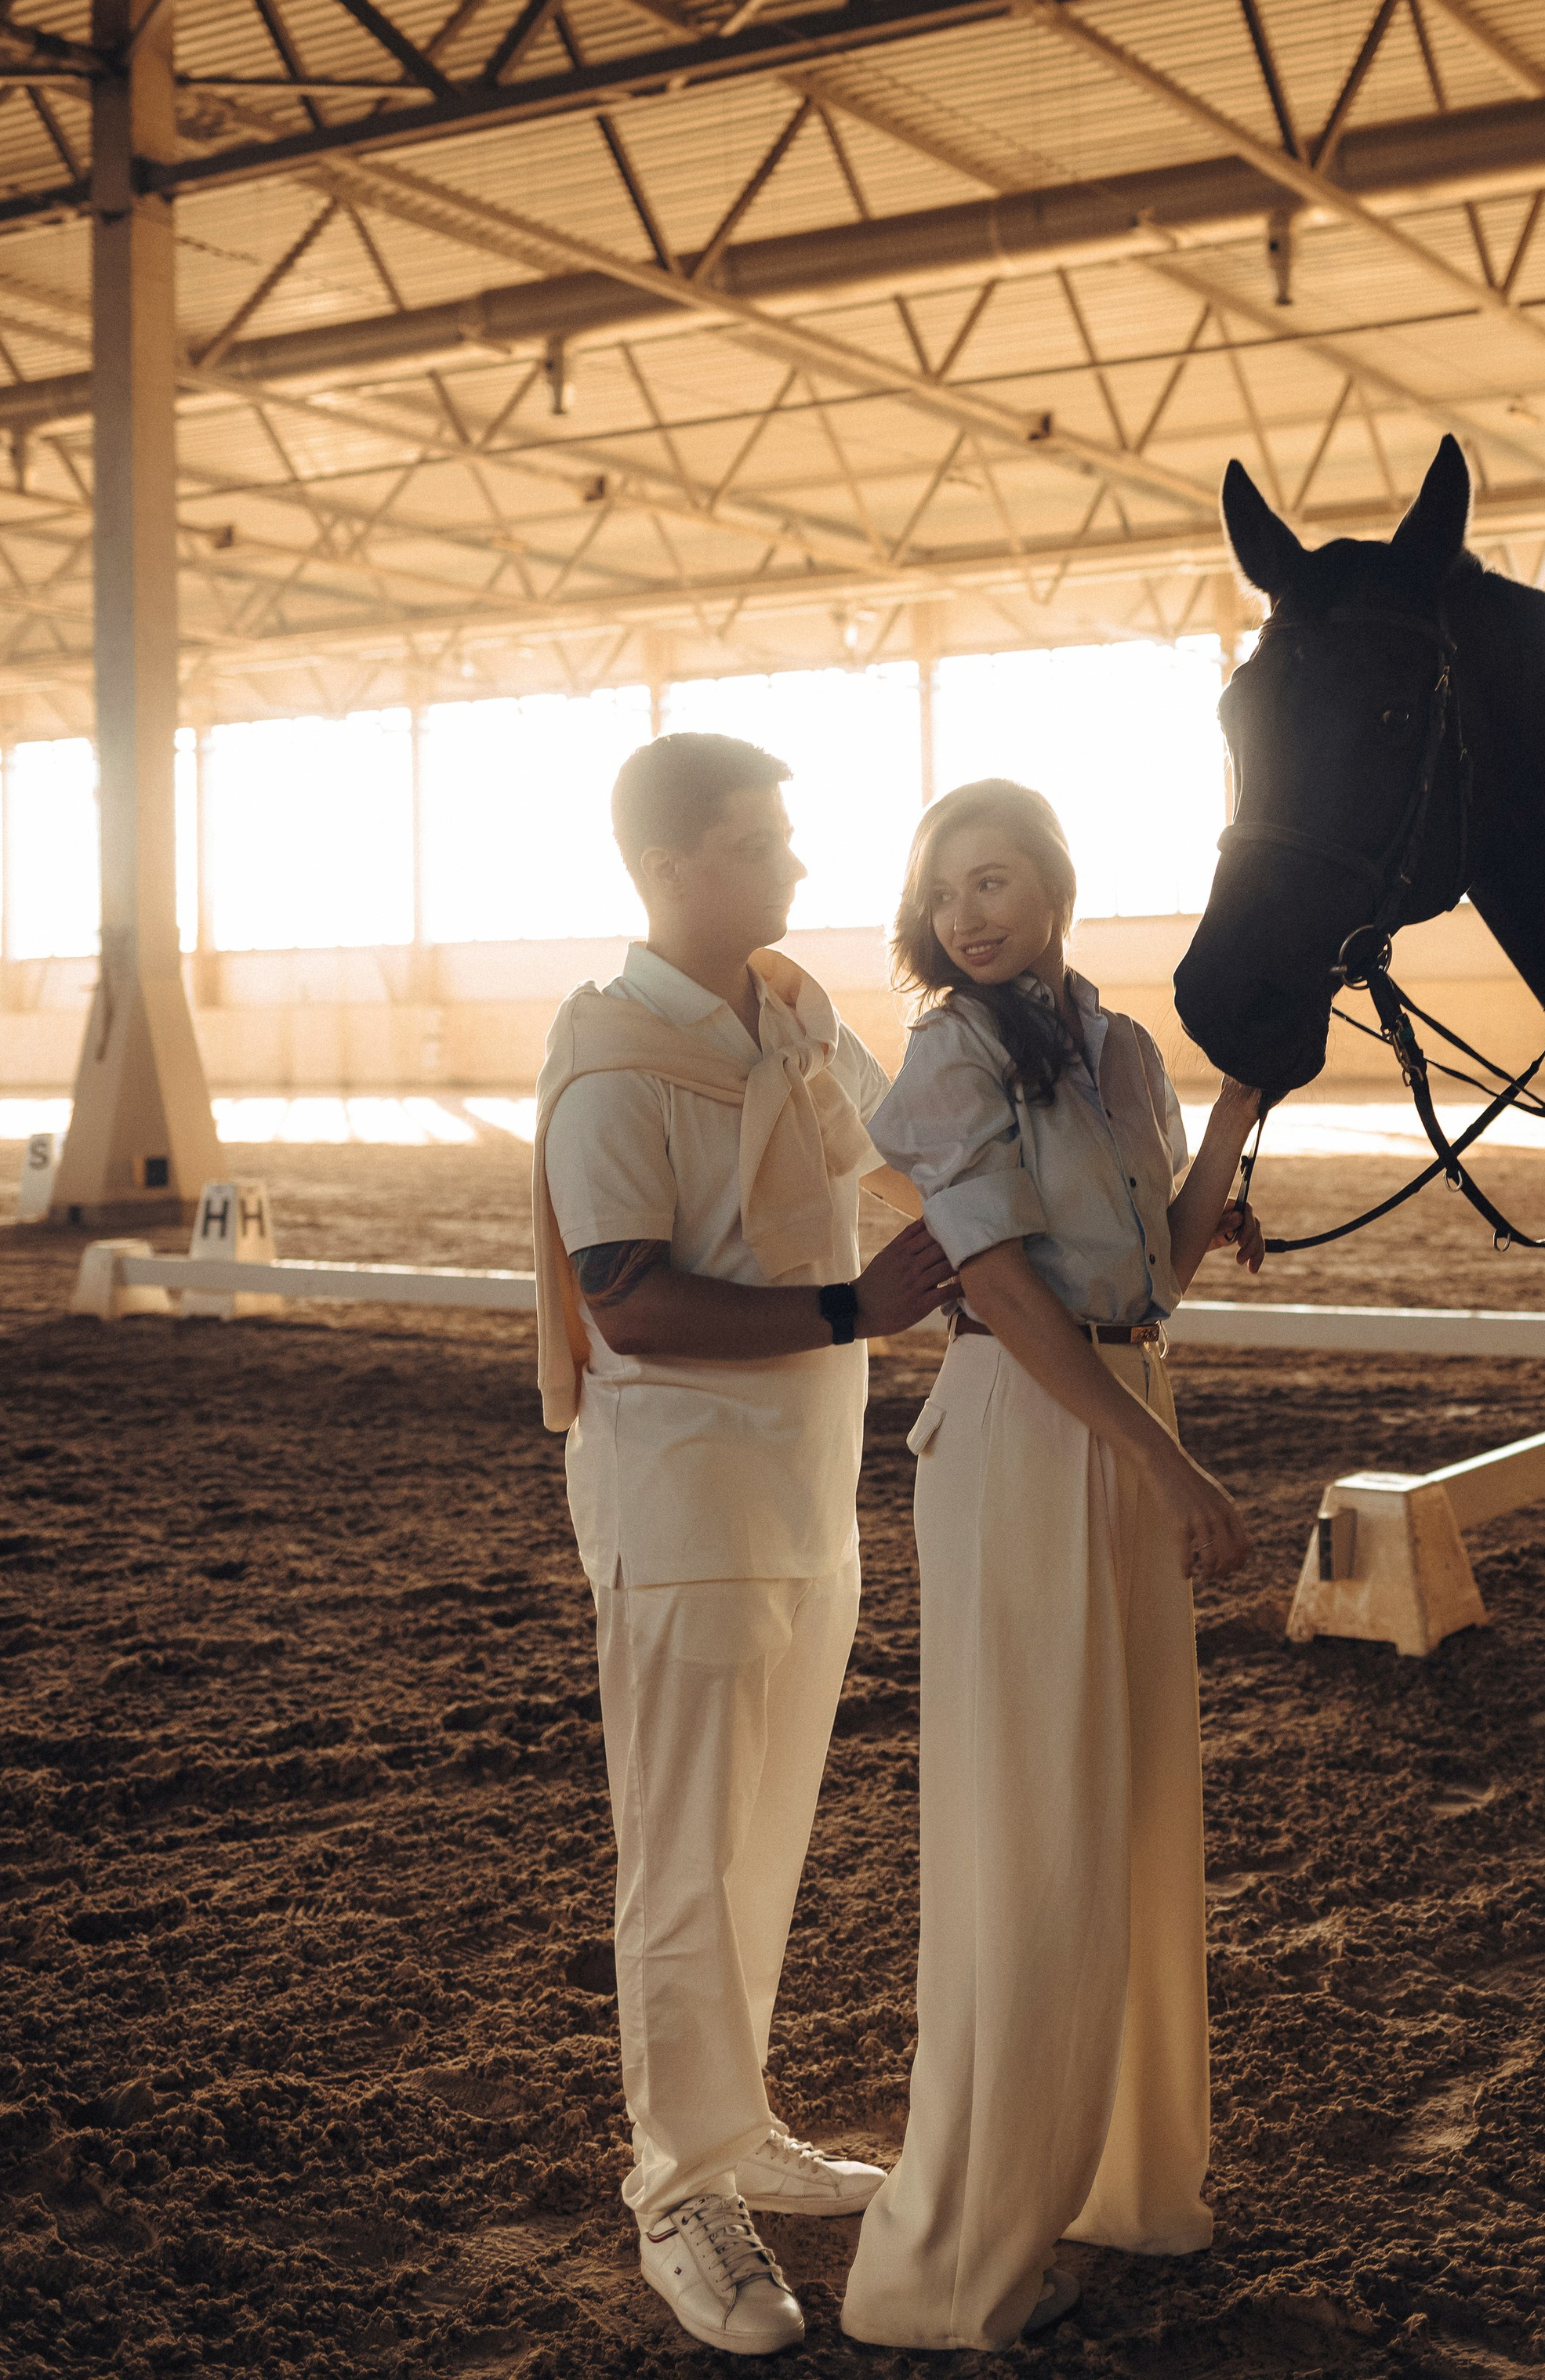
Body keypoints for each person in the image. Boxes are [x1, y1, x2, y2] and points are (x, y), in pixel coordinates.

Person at [531, 731, 959, 2357]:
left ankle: (738, 2122)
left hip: (803, 1486)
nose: (791, 865)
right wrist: (859, 1305)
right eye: (757, 841)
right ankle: (674, 2186)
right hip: (682, 1499)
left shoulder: (788, 1006)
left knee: (760, 1835)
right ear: (665, 866)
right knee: (681, 1857)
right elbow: (624, 1296)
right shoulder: (609, 1054)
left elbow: (893, 1149)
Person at [841, 777, 1265, 2356]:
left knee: (1131, 1805)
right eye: (944, 888)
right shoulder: (948, 1050)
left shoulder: (1123, 1048)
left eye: (995, 878)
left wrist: (1236, 1116)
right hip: (1027, 1425)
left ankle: (1109, 2181)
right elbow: (1007, 1286)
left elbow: (1161, 1247)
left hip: (1121, 1395)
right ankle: (953, 2259)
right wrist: (1163, 1460)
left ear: (1057, 885)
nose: (966, 914)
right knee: (1030, 1820)